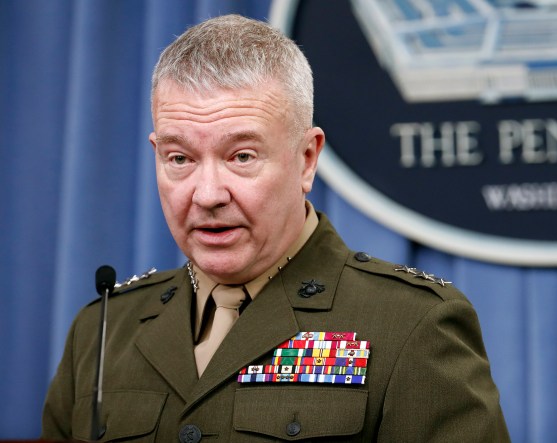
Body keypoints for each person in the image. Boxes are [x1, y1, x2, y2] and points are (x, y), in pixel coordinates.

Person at [41, 14, 509, 442]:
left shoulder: (412, 325)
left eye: (241, 156)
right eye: (179, 158)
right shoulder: (102, 330)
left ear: (306, 160)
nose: (207, 194)